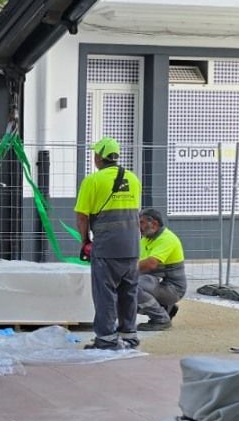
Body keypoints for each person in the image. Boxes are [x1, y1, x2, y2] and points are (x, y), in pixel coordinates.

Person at [74, 137, 143, 349]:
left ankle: (106, 339)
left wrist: (85, 241)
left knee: (105, 293)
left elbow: (82, 216)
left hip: (107, 247)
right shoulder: (133, 179)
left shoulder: (93, 181)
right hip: (132, 245)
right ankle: (129, 335)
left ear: (98, 157)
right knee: (128, 292)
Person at [138, 208, 187, 331]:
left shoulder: (167, 239)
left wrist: (122, 270)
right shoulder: (146, 240)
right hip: (160, 285)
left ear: (154, 224)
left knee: (133, 287)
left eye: (141, 222)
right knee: (124, 288)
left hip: (174, 289)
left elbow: (150, 264)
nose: (139, 226)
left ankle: (161, 319)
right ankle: (165, 308)